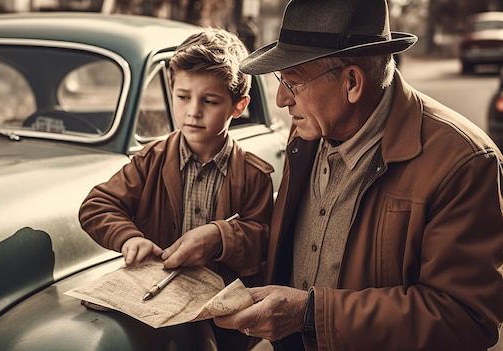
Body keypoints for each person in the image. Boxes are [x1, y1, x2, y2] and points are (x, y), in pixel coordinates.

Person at [213, 0, 503, 350]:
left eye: (292, 83)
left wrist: (311, 314)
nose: (280, 100)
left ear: (352, 82)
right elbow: (293, 238)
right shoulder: (309, 130)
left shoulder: (463, 162)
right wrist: (222, 239)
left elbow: (464, 319)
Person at [79, 27, 273, 350]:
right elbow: (96, 205)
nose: (193, 111)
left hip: (226, 325)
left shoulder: (254, 176)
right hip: (159, 314)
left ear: (239, 106)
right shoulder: (150, 161)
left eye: (209, 101)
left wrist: (220, 237)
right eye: (183, 97)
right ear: (172, 93)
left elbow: (264, 242)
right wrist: (129, 237)